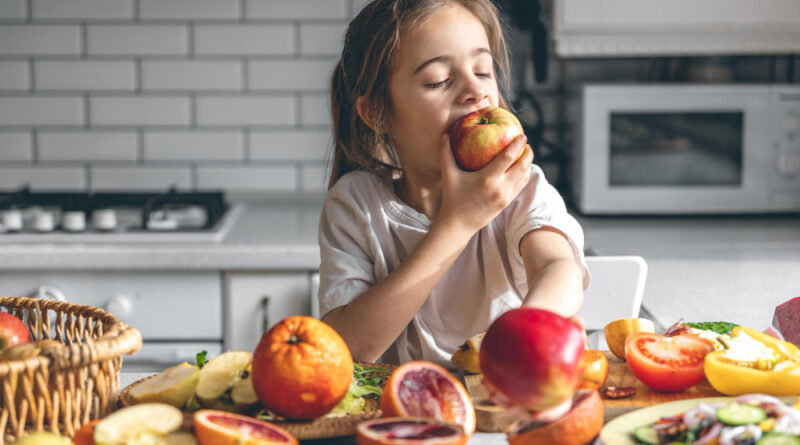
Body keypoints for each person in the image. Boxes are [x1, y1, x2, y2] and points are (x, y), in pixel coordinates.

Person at [317, 0, 588, 369]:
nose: (475, 91)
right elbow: (347, 348)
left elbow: (559, 268)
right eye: (439, 81)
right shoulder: (356, 206)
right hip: (400, 419)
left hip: (501, 408)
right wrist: (458, 223)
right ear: (377, 112)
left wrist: (531, 329)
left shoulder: (520, 190)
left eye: (482, 70)